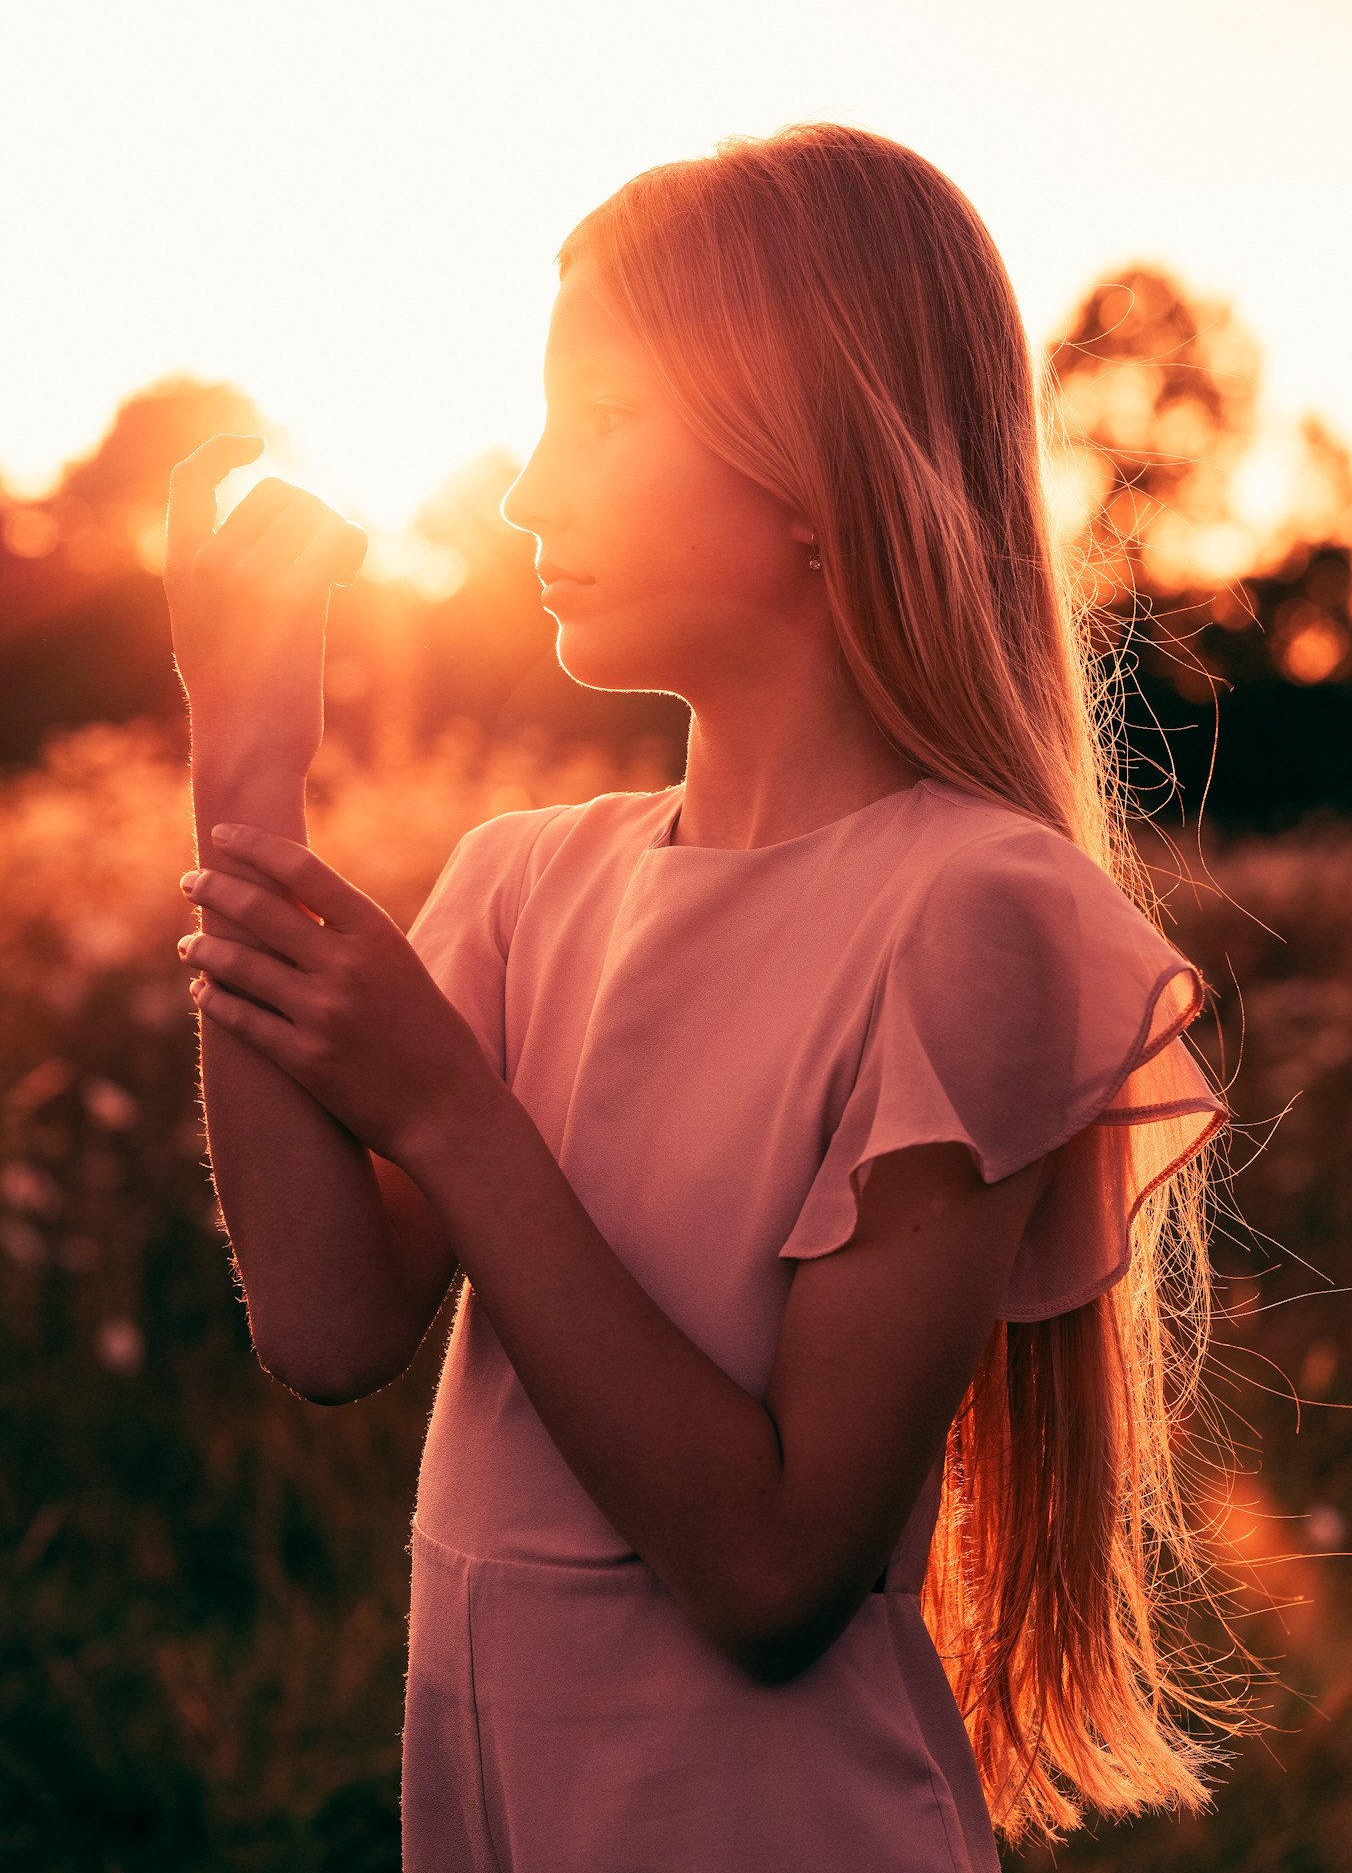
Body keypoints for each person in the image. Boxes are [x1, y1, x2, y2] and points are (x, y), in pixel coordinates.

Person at [163, 124, 1252, 1872]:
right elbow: (326, 1323)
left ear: (816, 453)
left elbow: (770, 1572)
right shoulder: (528, 882)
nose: (526, 493)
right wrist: (245, 777)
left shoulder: (972, 916)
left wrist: (444, 1106)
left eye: (598, 420)